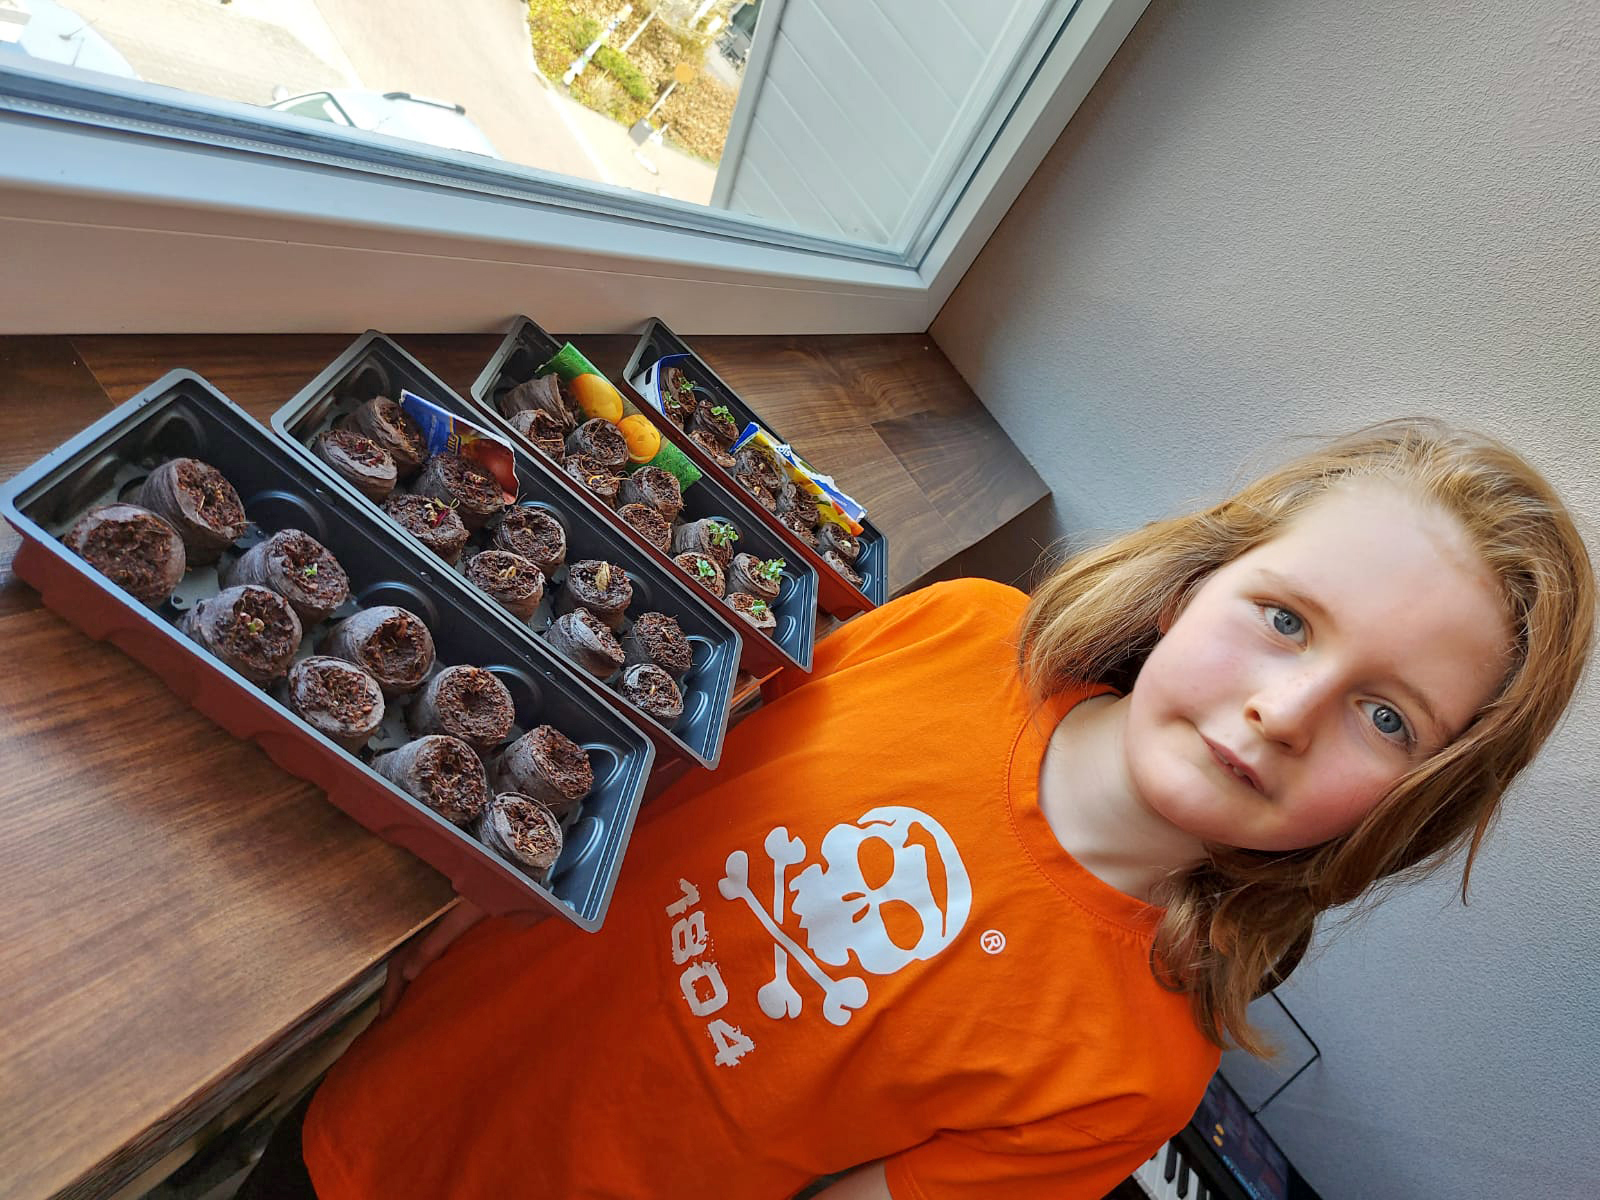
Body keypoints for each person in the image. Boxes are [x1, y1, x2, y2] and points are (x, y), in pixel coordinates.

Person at [243, 418, 1594, 1200]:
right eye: (1286, 620)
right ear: (1195, 588)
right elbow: (659, 779)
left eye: (1386, 715)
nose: (1285, 713)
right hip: (365, 1075)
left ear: (1415, 796)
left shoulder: (1130, 1077)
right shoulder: (959, 632)